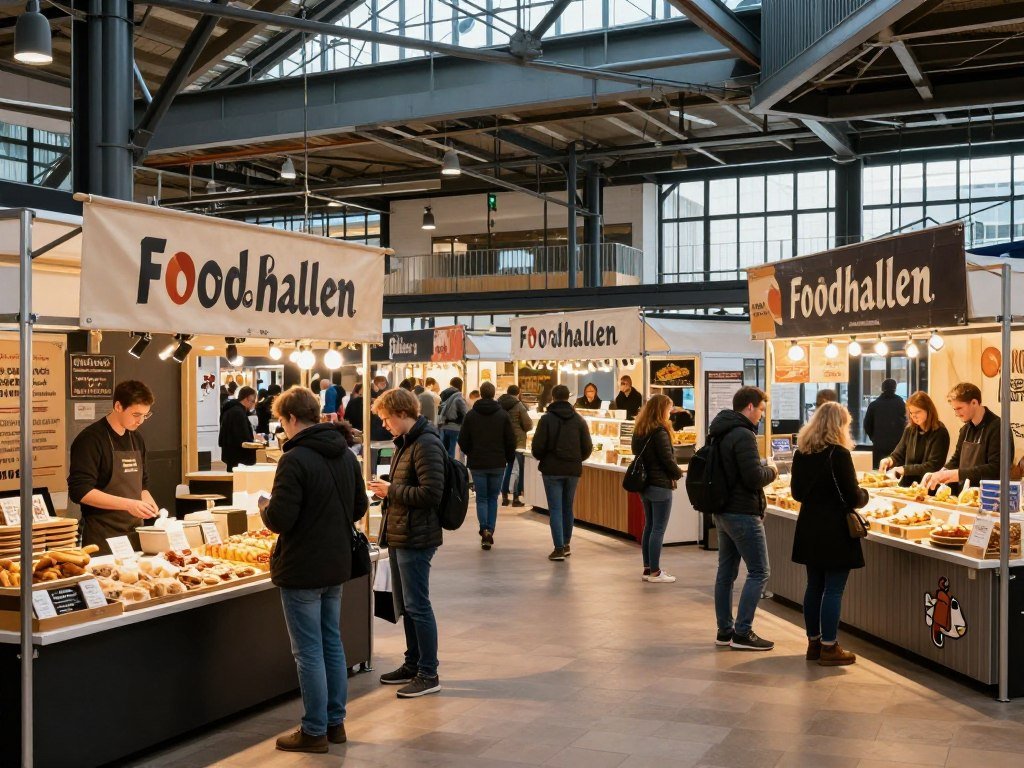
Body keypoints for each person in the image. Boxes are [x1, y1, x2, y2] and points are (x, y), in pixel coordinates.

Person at [260, 387, 367, 753]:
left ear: (291, 418)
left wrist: (264, 507)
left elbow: (280, 519)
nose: (282, 429)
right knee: (331, 645)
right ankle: (335, 724)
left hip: (302, 566)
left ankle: (314, 730)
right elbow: (358, 508)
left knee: (308, 652)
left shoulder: (294, 460)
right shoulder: (345, 454)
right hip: (335, 563)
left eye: (281, 422)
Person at [369, 389, 446, 698]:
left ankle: (429, 673)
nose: (385, 425)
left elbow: (430, 495)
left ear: (401, 413)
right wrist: (387, 492)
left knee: (418, 605)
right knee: (407, 606)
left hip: (418, 535)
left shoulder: (426, 444)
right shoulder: (406, 442)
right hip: (402, 532)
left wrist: (392, 491)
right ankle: (413, 662)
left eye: (386, 419)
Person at [790, 402, 868, 666]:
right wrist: (864, 495)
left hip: (810, 525)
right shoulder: (839, 454)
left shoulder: (801, 453)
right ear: (839, 425)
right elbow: (852, 496)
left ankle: (814, 643)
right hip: (835, 528)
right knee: (834, 589)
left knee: (814, 586)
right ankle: (829, 646)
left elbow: (797, 494)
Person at [709, 386, 778, 651]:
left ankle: (724, 630)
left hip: (723, 511)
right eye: (761, 409)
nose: (761, 415)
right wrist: (771, 470)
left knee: (725, 573)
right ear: (750, 407)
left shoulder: (720, 431)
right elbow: (753, 478)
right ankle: (743, 632)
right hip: (742, 513)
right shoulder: (744, 435)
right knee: (760, 571)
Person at [68, 380, 159, 554]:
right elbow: (80, 491)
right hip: (102, 535)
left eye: (145, 415)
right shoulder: (90, 440)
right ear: (118, 406)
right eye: (135, 415)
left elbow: (142, 485)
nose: (141, 421)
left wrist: (147, 501)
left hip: (133, 532)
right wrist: (128, 504)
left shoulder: (137, 439)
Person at [531, 385, 593, 561]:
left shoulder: (546, 420)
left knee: (556, 509)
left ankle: (558, 548)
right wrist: (576, 459)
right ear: (569, 398)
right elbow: (587, 448)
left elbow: (537, 447)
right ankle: (566, 544)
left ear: (553, 397)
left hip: (551, 470)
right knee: (568, 507)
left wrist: (544, 457)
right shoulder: (579, 420)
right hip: (573, 469)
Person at [458, 382, 516, 550]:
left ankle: (484, 529)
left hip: (477, 463)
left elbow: (462, 440)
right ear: (494, 394)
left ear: (481, 394)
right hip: (498, 463)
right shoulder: (503, 415)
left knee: (482, 498)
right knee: (492, 498)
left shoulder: (471, 415)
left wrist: (471, 452)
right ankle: (490, 529)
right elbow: (510, 439)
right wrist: (508, 457)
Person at [632, 394, 683, 583]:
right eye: (669, 409)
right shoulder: (660, 431)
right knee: (658, 528)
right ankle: (655, 571)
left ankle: (647, 568)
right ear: (661, 410)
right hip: (660, 484)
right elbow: (667, 459)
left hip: (644, 485)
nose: (670, 413)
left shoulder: (640, 430)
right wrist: (678, 473)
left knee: (650, 526)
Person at [926, 382, 1002, 490]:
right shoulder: (965, 429)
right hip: (964, 495)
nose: (956, 414)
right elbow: (956, 459)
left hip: (988, 496)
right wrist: (940, 473)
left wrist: (955, 475)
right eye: (954, 409)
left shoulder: (998, 428)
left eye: (960, 408)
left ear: (974, 402)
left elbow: (995, 468)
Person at [879, 391, 950, 487]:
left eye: (917, 412)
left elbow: (933, 465)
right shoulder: (910, 429)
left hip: (927, 487)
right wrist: (889, 460)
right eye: (911, 413)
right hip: (906, 486)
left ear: (928, 410)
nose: (913, 416)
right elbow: (898, 455)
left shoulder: (940, 432)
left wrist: (904, 469)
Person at [498, 385, 533, 507]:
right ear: (518, 393)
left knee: (508, 468)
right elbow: (528, 424)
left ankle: (504, 495)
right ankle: (516, 496)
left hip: (503, 441)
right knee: (518, 469)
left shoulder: (499, 404)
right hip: (517, 442)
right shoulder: (519, 405)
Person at [863, 378, 906, 467]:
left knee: (879, 472)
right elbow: (907, 423)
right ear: (895, 388)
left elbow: (867, 425)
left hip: (879, 446)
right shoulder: (901, 404)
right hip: (898, 446)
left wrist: (874, 438)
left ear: (882, 389)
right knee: (896, 473)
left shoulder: (874, 405)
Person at [219, 386, 259, 471]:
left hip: (231, 453)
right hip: (238, 456)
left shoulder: (231, 409)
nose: (253, 404)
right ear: (246, 399)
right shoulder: (238, 412)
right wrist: (253, 443)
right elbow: (242, 437)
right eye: (252, 401)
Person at [438, 377, 468, 457]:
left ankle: (445, 468)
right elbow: (465, 413)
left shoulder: (443, 395)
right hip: (455, 428)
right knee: (452, 453)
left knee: (444, 452)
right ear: (460, 385)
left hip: (443, 426)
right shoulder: (458, 396)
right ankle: (451, 469)